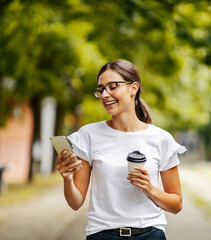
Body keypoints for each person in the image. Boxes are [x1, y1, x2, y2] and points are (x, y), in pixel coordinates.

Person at [56, 59, 186, 239]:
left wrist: (149, 189)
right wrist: (68, 179)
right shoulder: (88, 135)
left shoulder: (161, 139)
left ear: (134, 88)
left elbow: (176, 204)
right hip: (102, 234)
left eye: (112, 86)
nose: (104, 95)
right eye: (101, 89)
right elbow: (76, 202)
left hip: (150, 235)